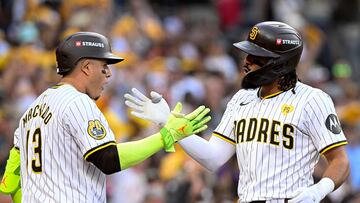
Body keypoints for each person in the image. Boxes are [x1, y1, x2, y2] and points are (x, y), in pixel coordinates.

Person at [124, 21, 350, 203]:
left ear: (280, 62)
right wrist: (167, 122)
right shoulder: (241, 99)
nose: (247, 62)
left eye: (255, 57)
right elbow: (213, 158)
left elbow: (340, 160)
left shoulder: (313, 99)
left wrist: (319, 190)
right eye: (247, 55)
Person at [0, 31, 211, 203]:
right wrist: (166, 135)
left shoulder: (32, 109)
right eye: (104, 66)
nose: (109, 73)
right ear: (86, 68)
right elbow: (107, 159)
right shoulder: (77, 102)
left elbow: (11, 179)